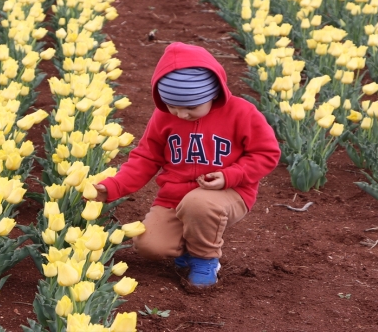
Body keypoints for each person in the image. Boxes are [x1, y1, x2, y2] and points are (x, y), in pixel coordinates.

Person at [94, 42, 281, 288]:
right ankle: (186, 249)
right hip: (175, 197)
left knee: (199, 204)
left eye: (191, 108)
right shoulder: (163, 117)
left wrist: (230, 176)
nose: (181, 115)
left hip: (230, 192)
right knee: (148, 246)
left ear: (213, 93)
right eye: (173, 107)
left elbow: (266, 153)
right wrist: (112, 187)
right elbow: (145, 158)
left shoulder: (241, 113)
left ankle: (205, 259)